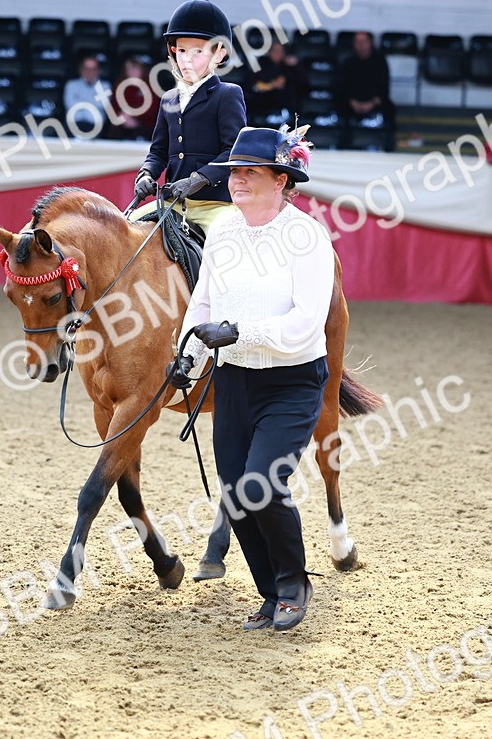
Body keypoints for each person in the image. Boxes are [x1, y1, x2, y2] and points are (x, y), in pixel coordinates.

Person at [168, 124, 331, 632]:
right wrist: (186, 357)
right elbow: (204, 304)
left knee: (261, 484)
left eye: (250, 173)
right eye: (234, 172)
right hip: (234, 381)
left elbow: (306, 323)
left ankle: (293, 583)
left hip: (292, 380)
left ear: (281, 180)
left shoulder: (306, 236)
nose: (236, 181)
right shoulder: (223, 232)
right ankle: (269, 591)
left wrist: (238, 332)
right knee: (235, 493)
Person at [127, 0, 246, 236]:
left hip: (214, 205)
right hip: (173, 204)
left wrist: (197, 179)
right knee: (123, 229)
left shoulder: (227, 94)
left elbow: (232, 152)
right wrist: (146, 174)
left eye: (198, 52)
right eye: (181, 51)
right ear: (172, 51)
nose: (186, 60)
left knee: (229, 241)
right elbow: (158, 151)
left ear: (219, 55)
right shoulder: (169, 98)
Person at [335, 31, 395, 146]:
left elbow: (384, 86)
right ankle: (344, 144)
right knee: (340, 107)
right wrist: (353, 102)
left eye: (364, 42)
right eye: (358, 42)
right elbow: (342, 86)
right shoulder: (348, 63)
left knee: (389, 109)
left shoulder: (380, 62)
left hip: (374, 101)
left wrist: (372, 103)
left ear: (370, 43)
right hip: (352, 101)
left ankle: (389, 144)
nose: (361, 45)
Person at [245, 40, 308, 124]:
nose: (277, 53)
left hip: (285, 103)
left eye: (280, 51)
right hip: (263, 102)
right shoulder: (261, 64)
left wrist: (297, 66)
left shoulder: (290, 68)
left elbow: (304, 85)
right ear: (269, 52)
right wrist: (271, 85)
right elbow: (251, 83)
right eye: (274, 50)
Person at [105, 55, 159, 141]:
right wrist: (122, 116)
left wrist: (136, 120)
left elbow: (153, 110)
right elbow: (113, 107)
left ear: (142, 70)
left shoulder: (151, 87)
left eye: (136, 68)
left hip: (144, 124)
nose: (132, 72)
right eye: (129, 69)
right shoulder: (119, 86)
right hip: (122, 123)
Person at [63, 53, 112, 137]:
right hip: (73, 125)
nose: (89, 72)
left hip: (96, 126)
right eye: (86, 69)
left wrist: (80, 101)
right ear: (80, 70)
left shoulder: (105, 86)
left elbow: (102, 105)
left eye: (93, 69)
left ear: (98, 71)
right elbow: (70, 105)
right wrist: (93, 102)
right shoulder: (71, 85)